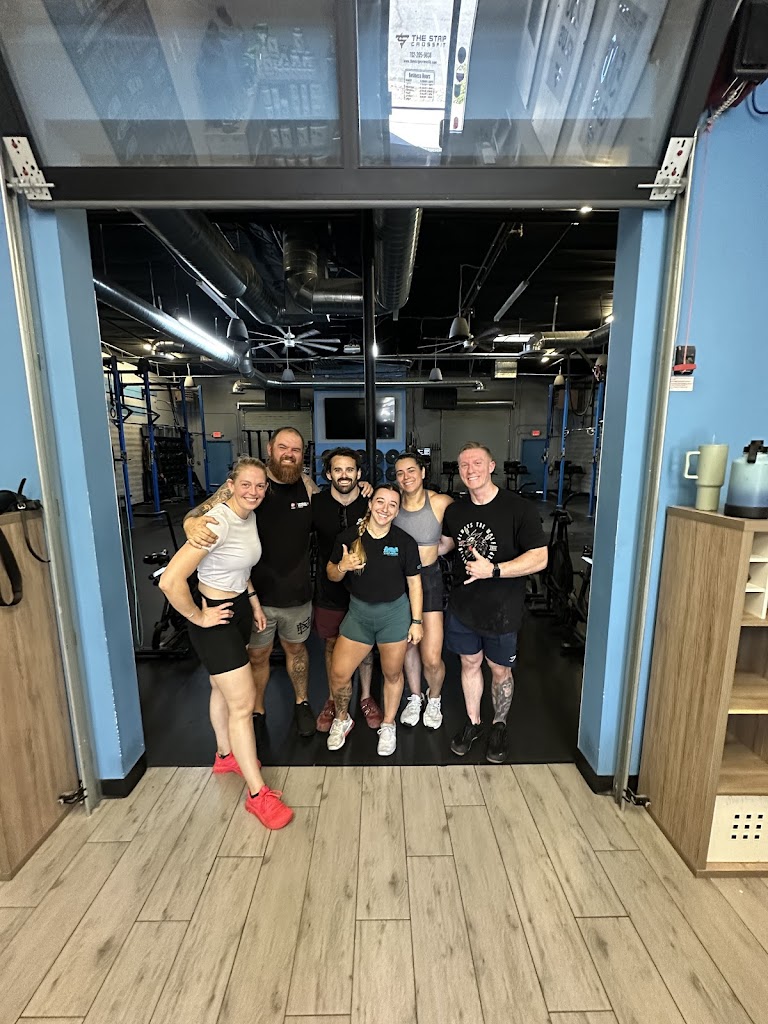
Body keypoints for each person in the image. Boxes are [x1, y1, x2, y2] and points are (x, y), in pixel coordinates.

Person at [159, 458, 293, 829]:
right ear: (230, 485)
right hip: (215, 618)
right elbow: (170, 580)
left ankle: (225, 756)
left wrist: (252, 601)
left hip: (237, 611)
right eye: (246, 484)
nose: (254, 491)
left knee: (221, 688)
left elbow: (239, 567)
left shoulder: (247, 517)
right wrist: (198, 617)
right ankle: (257, 795)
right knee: (243, 704)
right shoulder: (217, 521)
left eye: (260, 486)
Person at [184, 426, 319, 738]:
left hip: (297, 592)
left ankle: (301, 702)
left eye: (296, 450)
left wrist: (364, 488)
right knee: (258, 655)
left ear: (302, 455)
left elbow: (338, 501)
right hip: (256, 595)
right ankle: (258, 710)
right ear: (270, 449)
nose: (289, 454)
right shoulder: (249, 487)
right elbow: (200, 511)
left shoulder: (307, 486)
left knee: (296, 649)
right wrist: (191, 523)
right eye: (283, 447)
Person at [440, 442, 548, 764]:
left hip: (503, 609)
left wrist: (495, 570)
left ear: (491, 466)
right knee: (469, 664)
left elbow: (540, 558)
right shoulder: (455, 511)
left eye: (477, 463)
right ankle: (474, 722)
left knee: (499, 670)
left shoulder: (519, 508)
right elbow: (443, 545)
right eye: (464, 465)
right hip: (463, 607)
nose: (470, 470)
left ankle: (499, 725)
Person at [326, 485, 423, 756]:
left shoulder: (404, 542)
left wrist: (416, 622)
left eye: (392, 504)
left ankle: (388, 725)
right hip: (359, 615)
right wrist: (343, 566)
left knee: (393, 674)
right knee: (339, 673)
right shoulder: (349, 538)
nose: (385, 509)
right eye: (380, 502)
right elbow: (331, 573)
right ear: (370, 504)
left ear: (398, 511)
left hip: (394, 616)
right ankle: (342, 719)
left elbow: (415, 585)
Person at [311, 447, 382, 732]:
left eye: (350, 470)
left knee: (364, 647)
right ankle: (332, 698)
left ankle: (365, 697)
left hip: (364, 588)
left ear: (359, 473)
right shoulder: (316, 503)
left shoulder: (369, 502)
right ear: (328, 474)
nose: (344, 475)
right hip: (329, 588)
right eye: (338, 470)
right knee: (331, 645)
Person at [393, 452, 453, 729]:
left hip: (429, 581)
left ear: (423, 472)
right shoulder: (392, 505)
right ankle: (415, 697)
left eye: (411, 471)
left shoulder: (440, 502)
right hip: (398, 583)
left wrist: (436, 551)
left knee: (431, 657)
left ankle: (435, 697)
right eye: (400, 473)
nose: (405, 477)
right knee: (408, 647)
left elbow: (456, 534)